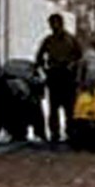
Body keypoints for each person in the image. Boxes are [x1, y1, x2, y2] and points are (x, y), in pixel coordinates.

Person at [35, 12, 83, 147]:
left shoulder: (71, 40)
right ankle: (54, 134)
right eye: (52, 23)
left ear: (62, 23)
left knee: (70, 107)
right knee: (54, 107)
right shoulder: (48, 40)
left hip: (67, 76)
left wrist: (73, 66)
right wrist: (44, 69)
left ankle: (71, 133)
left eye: (57, 23)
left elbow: (79, 56)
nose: (54, 26)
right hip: (54, 75)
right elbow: (39, 57)